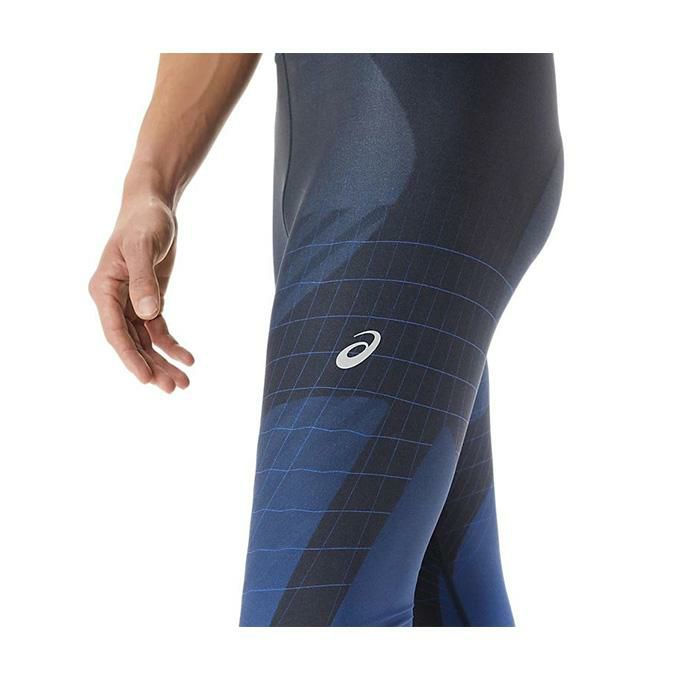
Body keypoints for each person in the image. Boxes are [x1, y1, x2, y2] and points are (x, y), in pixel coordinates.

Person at [90, 53, 563, 626]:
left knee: (311, 617)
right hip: (335, 169)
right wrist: (150, 186)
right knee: (443, 594)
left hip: (427, 147)